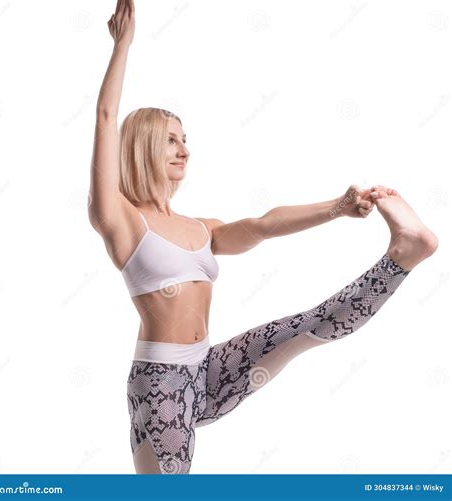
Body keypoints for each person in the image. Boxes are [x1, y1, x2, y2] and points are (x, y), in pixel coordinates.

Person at [87, 0, 439, 474]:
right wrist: (122, 46)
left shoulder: (201, 228)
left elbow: (262, 225)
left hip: (210, 369)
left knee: (310, 326)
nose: (185, 149)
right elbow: (107, 118)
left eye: (185, 138)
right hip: (161, 383)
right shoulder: (123, 220)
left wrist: (336, 208)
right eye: (171, 139)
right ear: (144, 146)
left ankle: (403, 254)